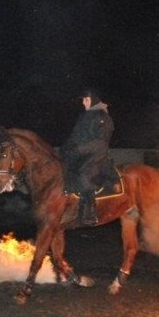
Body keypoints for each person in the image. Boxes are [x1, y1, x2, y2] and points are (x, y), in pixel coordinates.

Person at [60, 88, 117, 226]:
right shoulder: (83, 117)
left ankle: (90, 212)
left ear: (93, 100)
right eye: (83, 100)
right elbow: (74, 137)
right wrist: (65, 149)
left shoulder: (103, 117)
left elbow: (101, 143)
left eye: (86, 100)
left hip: (96, 155)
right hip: (81, 153)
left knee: (85, 174)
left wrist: (79, 149)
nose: (83, 103)